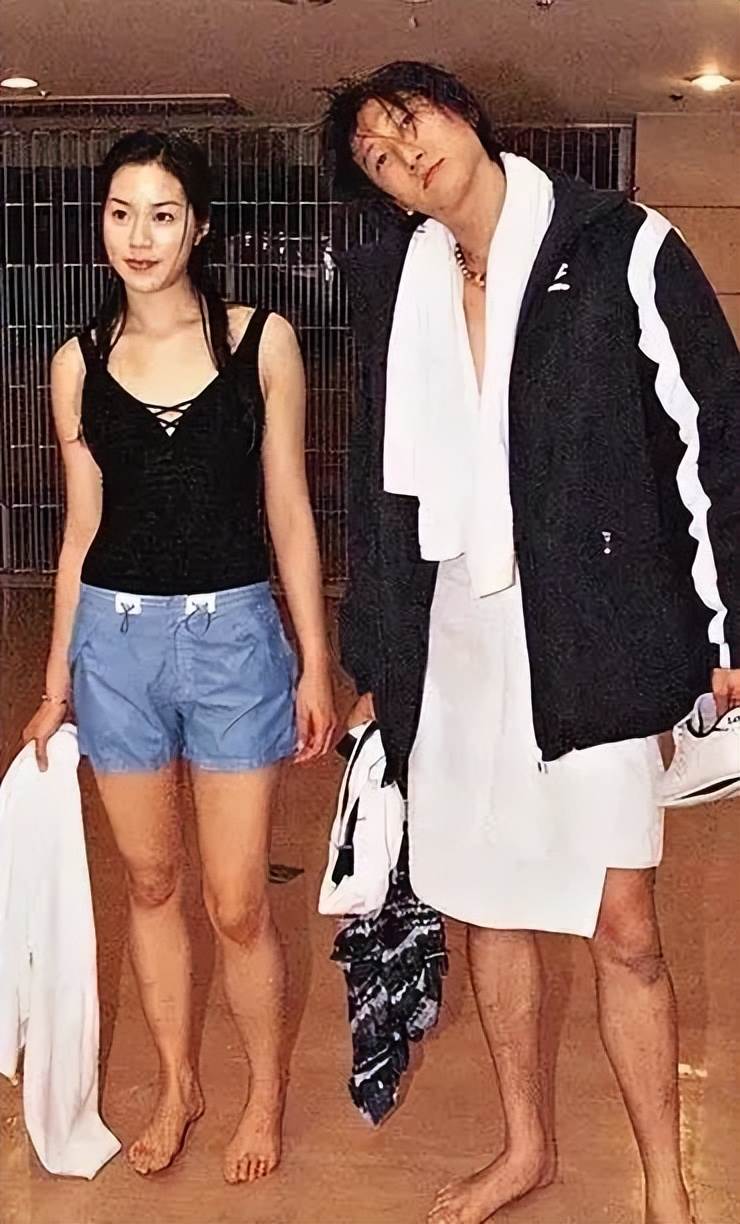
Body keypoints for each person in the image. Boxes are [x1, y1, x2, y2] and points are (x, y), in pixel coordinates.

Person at [321, 61, 739, 1224]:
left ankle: (665, 1187)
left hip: (593, 631)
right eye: (376, 157)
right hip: (458, 637)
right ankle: (524, 1149)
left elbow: (713, 436)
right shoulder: (399, 285)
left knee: (623, 926)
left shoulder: (617, 246)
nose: (405, 157)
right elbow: (378, 492)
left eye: (410, 123)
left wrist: (726, 624)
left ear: (463, 114)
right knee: (485, 901)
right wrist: (377, 661)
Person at [22, 130, 337, 1184]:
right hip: (114, 644)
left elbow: (289, 512)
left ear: (198, 226)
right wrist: (56, 681)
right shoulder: (76, 362)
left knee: (236, 898)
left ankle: (263, 1094)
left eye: (162, 214)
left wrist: (314, 662)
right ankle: (176, 1084)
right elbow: (80, 532)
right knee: (151, 883)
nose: (140, 236)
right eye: (121, 213)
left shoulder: (261, 342)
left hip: (235, 638)